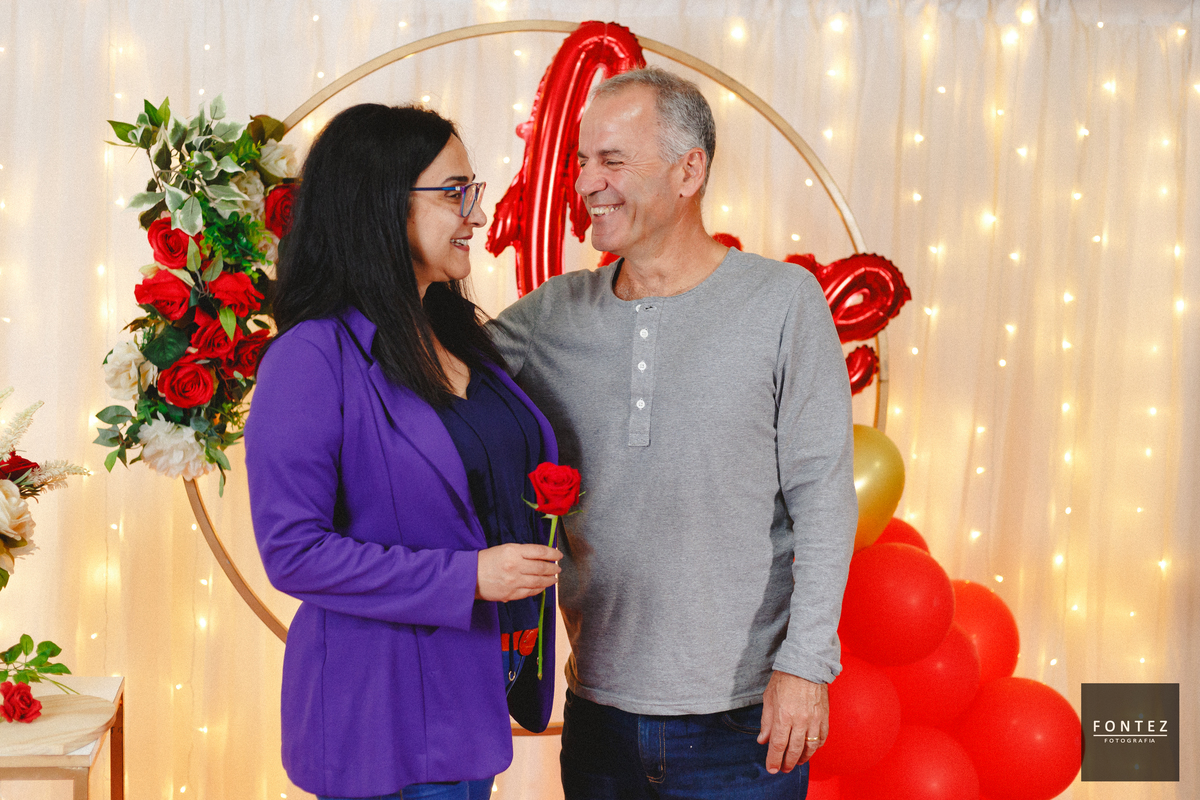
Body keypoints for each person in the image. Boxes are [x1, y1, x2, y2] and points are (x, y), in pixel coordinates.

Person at [489, 68, 858, 799]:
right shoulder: (549, 316)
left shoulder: (783, 301)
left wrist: (806, 666)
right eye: (581, 162)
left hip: (746, 723)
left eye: (612, 160)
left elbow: (823, 496)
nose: (586, 183)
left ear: (690, 171)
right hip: (599, 717)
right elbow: (426, 388)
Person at [244, 103, 563, 800]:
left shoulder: (463, 336)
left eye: (472, 192)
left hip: (474, 701)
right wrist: (468, 576)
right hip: (378, 721)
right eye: (454, 193)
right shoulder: (310, 357)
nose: (478, 215)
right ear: (381, 201)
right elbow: (293, 552)